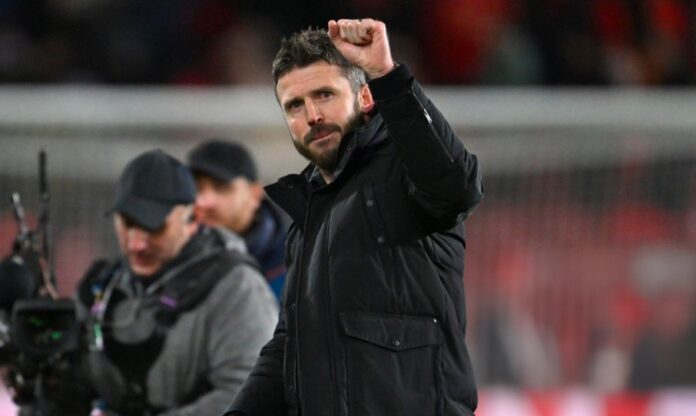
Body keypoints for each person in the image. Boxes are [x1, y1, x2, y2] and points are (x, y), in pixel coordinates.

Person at [226, 18, 483, 416]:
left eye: (324, 94)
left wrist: (387, 76)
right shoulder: (307, 215)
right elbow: (289, 347)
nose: (312, 115)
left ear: (365, 97)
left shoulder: (404, 170)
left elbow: (457, 188)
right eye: (295, 105)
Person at [21, 150, 278, 416]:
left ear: (192, 220)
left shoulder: (237, 289)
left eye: (154, 227)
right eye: (127, 224)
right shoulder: (102, 289)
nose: (136, 244)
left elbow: (250, 397)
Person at [187, 140, 288, 300]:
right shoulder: (168, 255)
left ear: (255, 194)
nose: (204, 202)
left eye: (221, 188)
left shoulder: (301, 261)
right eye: (196, 188)